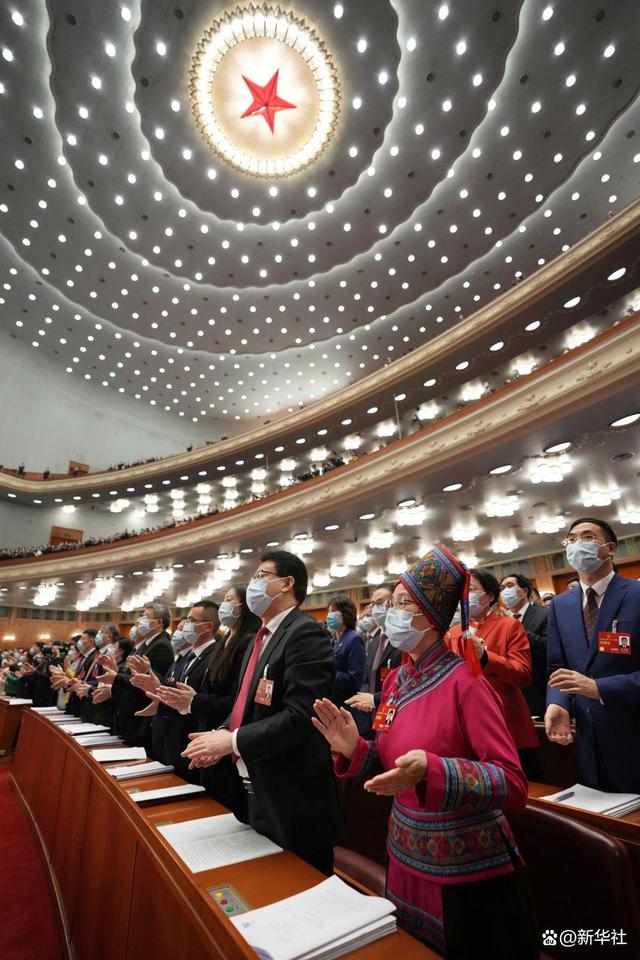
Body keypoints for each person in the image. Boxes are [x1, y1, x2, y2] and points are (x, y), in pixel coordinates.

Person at [312, 545, 536, 959]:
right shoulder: (396, 680)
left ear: (430, 617)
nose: (390, 612)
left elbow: (513, 782)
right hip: (404, 853)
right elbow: (390, 761)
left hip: (465, 869)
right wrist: (354, 748)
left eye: (402, 604)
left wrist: (433, 770)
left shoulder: (467, 682)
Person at [182, 550, 343, 875]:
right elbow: (244, 702)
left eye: (260, 576)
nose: (253, 584)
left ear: (286, 583)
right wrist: (220, 735)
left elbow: (301, 717)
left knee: (296, 886)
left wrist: (232, 741)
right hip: (255, 787)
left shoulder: (305, 632)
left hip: (293, 798)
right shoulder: (260, 637)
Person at [546, 517, 640, 792]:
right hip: (589, 739)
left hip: (633, 730)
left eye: (587, 537)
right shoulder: (560, 605)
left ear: (610, 549)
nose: (577, 544)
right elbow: (557, 667)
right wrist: (558, 703)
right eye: (571, 539)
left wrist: (599, 688)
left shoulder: (636, 594)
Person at [160, 584, 259, 805]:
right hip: (209, 734)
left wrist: (194, 701)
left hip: (224, 740)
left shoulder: (248, 641)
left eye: (230, 599)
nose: (224, 604)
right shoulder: (225, 642)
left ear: (244, 607)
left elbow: (237, 701)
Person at [447, 569, 539, 779]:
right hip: (465, 724)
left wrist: (485, 657)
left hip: (505, 722)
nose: (464, 596)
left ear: (489, 596)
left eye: (470, 590)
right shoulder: (452, 632)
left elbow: (523, 674)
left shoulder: (509, 626)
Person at [144, 601, 220, 779]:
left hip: (191, 742)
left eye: (191, 620)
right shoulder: (187, 657)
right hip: (171, 739)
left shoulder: (215, 656)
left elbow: (205, 702)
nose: (186, 625)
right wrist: (157, 688)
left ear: (207, 626)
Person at [110, 604, 173, 749]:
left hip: (142, 716)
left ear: (159, 622)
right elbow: (131, 674)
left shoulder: (161, 645)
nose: (141, 620)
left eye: (146, 617)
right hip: (130, 712)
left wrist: (115, 677)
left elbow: (152, 682)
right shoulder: (146, 644)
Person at [346, 585, 402, 736]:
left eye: (380, 602)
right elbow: (366, 676)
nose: (375, 608)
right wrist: (366, 699)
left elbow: (403, 683)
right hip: (371, 711)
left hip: (393, 708)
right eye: (373, 604)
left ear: (394, 603)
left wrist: (374, 699)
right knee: (374, 744)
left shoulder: (402, 641)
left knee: (388, 742)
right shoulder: (373, 643)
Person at [500, 573, 548, 718]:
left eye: (509, 586)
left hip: (538, 691)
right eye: (502, 588)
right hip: (510, 692)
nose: (504, 591)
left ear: (525, 591)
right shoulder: (500, 621)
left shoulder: (544, 614)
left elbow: (547, 646)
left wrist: (517, 627)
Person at [326, 596, 365, 706]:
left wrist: (326, 674)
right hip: (333, 701)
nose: (329, 615)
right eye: (329, 611)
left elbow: (354, 679)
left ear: (345, 613)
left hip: (347, 703)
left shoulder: (354, 639)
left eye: (333, 611)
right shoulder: (333, 640)